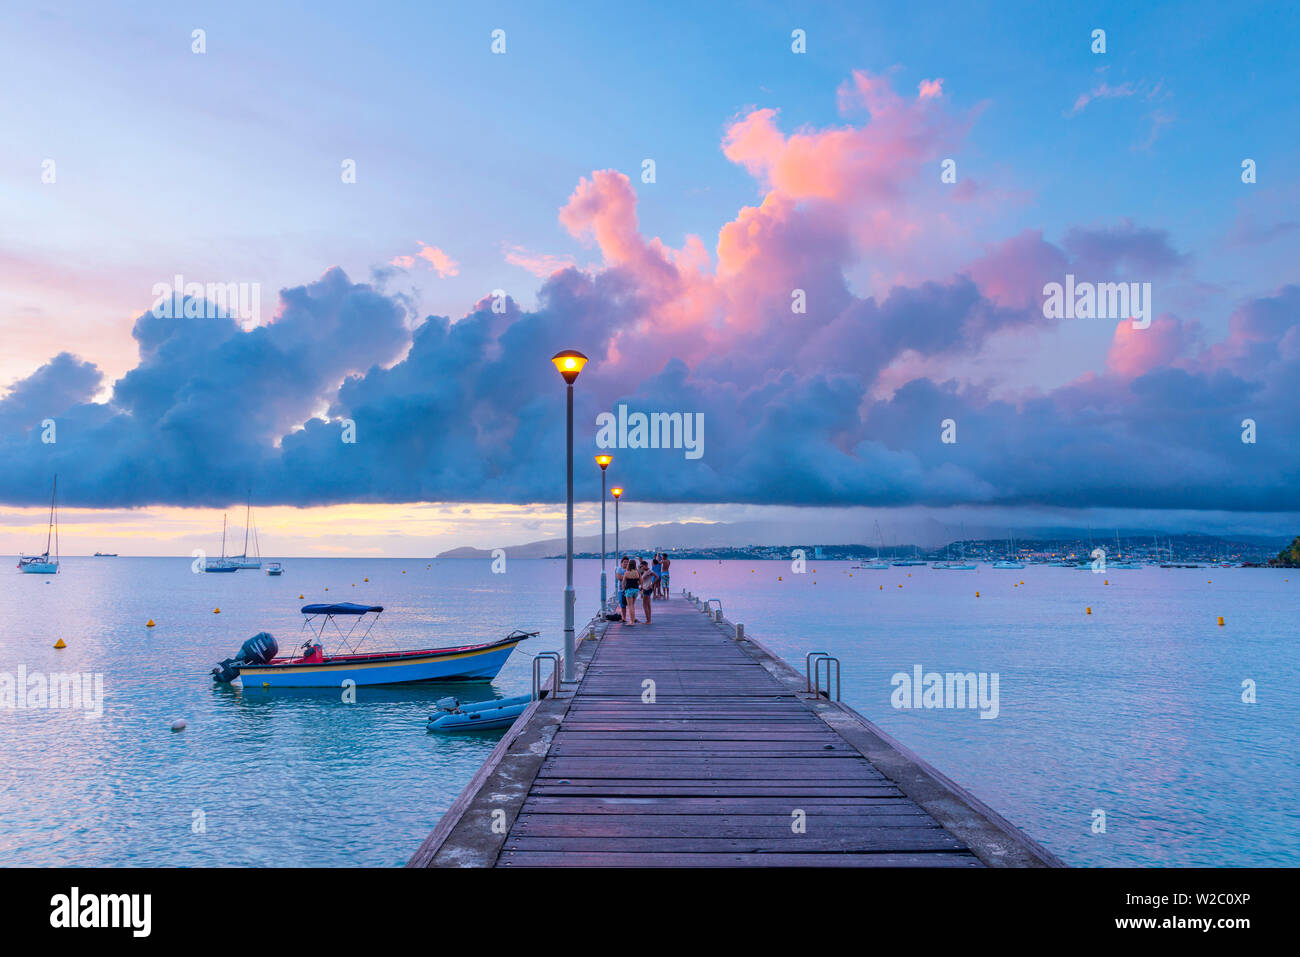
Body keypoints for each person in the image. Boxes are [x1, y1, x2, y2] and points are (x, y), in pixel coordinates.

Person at [622, 558, 641, 624]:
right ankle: (633, 619)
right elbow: (640, 582)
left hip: (629, 590)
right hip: (636, 590)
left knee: (630, 606)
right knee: (632, 605)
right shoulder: (637, 572)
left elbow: (623, 582)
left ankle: (632, 621)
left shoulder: (626, 573)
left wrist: (624, 590)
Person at [639, 559, 657, 624]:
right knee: (648, 604)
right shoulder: (644, 571)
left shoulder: (649, 571)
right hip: (645, 588)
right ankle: (649, 620)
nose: (641, 567)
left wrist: (652, 584)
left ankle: (648, 620)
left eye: (642, 566)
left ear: (645, 565)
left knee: (645, 605)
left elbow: (657, 577)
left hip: (647, 589)